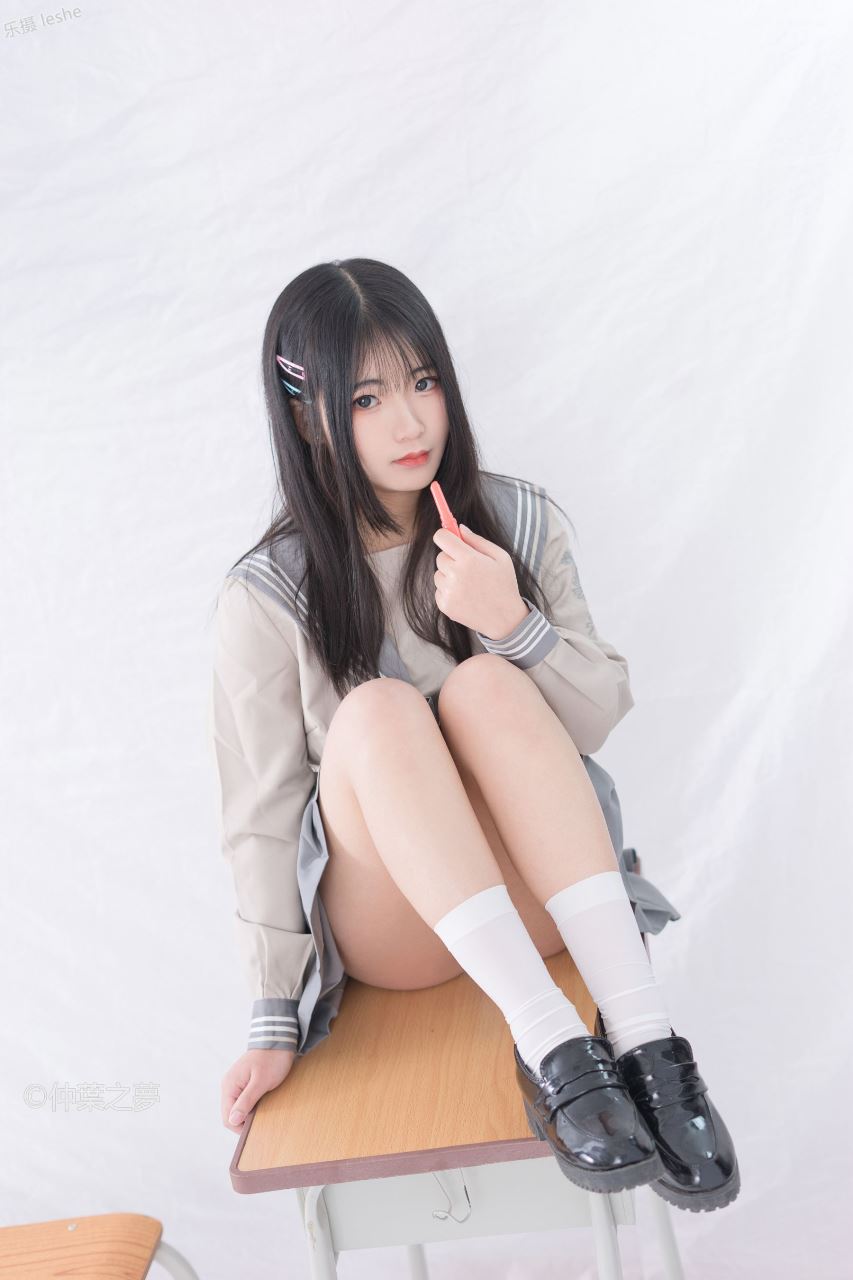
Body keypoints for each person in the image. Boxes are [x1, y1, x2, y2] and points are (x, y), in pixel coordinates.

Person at [209, 257, 739, 1211]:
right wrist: (272, 1020)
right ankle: (552, 1045)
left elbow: (594, 723)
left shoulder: (517, 522)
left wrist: (513, 626)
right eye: (366, 398)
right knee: (380, 712)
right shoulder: (269, 594)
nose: (410, 423)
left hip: (540, 892)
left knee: (489, 684)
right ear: (307, 416)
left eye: (422, 382)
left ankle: (645, 1039)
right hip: (397, 932)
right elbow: (261, 816)